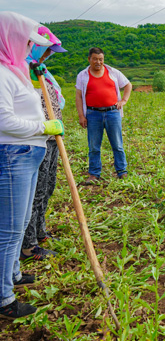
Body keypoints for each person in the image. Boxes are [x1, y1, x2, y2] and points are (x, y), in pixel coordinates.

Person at [0, 11, 64, 319]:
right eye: (26, 42)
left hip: (28, 153)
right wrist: (43, 129)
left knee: (20, 223)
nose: (30, 48)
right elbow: (3, 120)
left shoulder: (15, 71)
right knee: (9, 229)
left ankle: (12, 274)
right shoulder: (1, 73)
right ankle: (3, 297)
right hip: (13, 154)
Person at [21, 26, 68, 261]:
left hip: (52, 138)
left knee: (47, 187)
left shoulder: (41, 69)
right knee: (35, 191)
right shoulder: (21, 68)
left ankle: (40, 231)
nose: (48, 55)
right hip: (36, 138)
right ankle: (28, 245)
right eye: (47, 50)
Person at [75, 48, 132, 184]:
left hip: (113, 113)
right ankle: (94, 174)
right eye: (95, 59)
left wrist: (123, 100)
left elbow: (128, 85)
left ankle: (122, 171)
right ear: (89, 59)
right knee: (94, 145)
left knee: (117, 144)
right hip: (93, 114)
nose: (98, 62)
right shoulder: (82, 75)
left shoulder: (112, 72)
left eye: (101, 59)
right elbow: (78, 96)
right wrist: (81, 116)